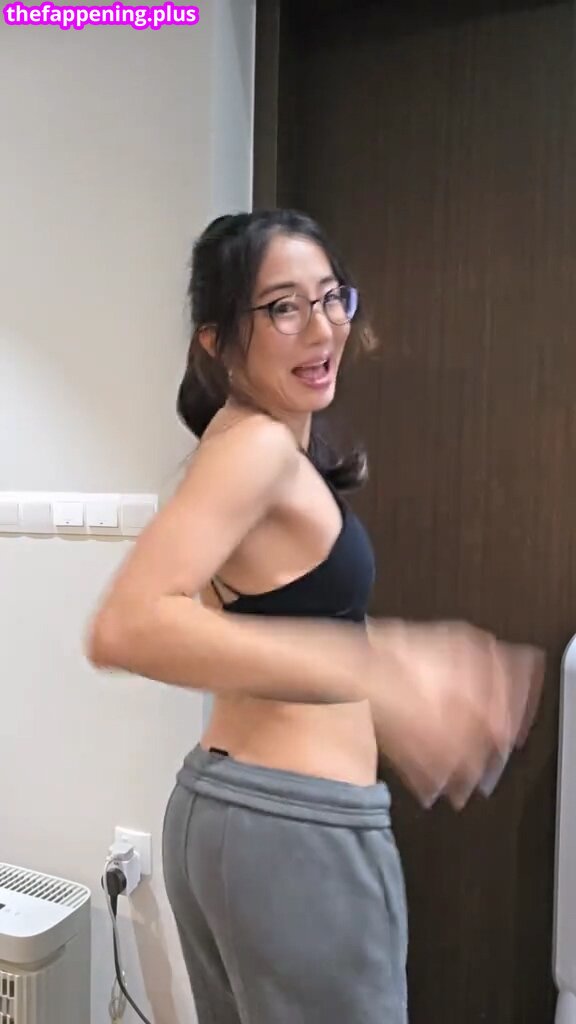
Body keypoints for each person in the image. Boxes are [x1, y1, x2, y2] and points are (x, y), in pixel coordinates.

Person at [86, 208, 544, 1024]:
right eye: (284, 307)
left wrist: (387, 656)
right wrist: (368, 667)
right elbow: (127, 625)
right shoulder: (256, 449)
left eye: (332, 298)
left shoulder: (243, 443)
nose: (323, 327)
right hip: (292, 830)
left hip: (225, 816)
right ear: (217, 340)